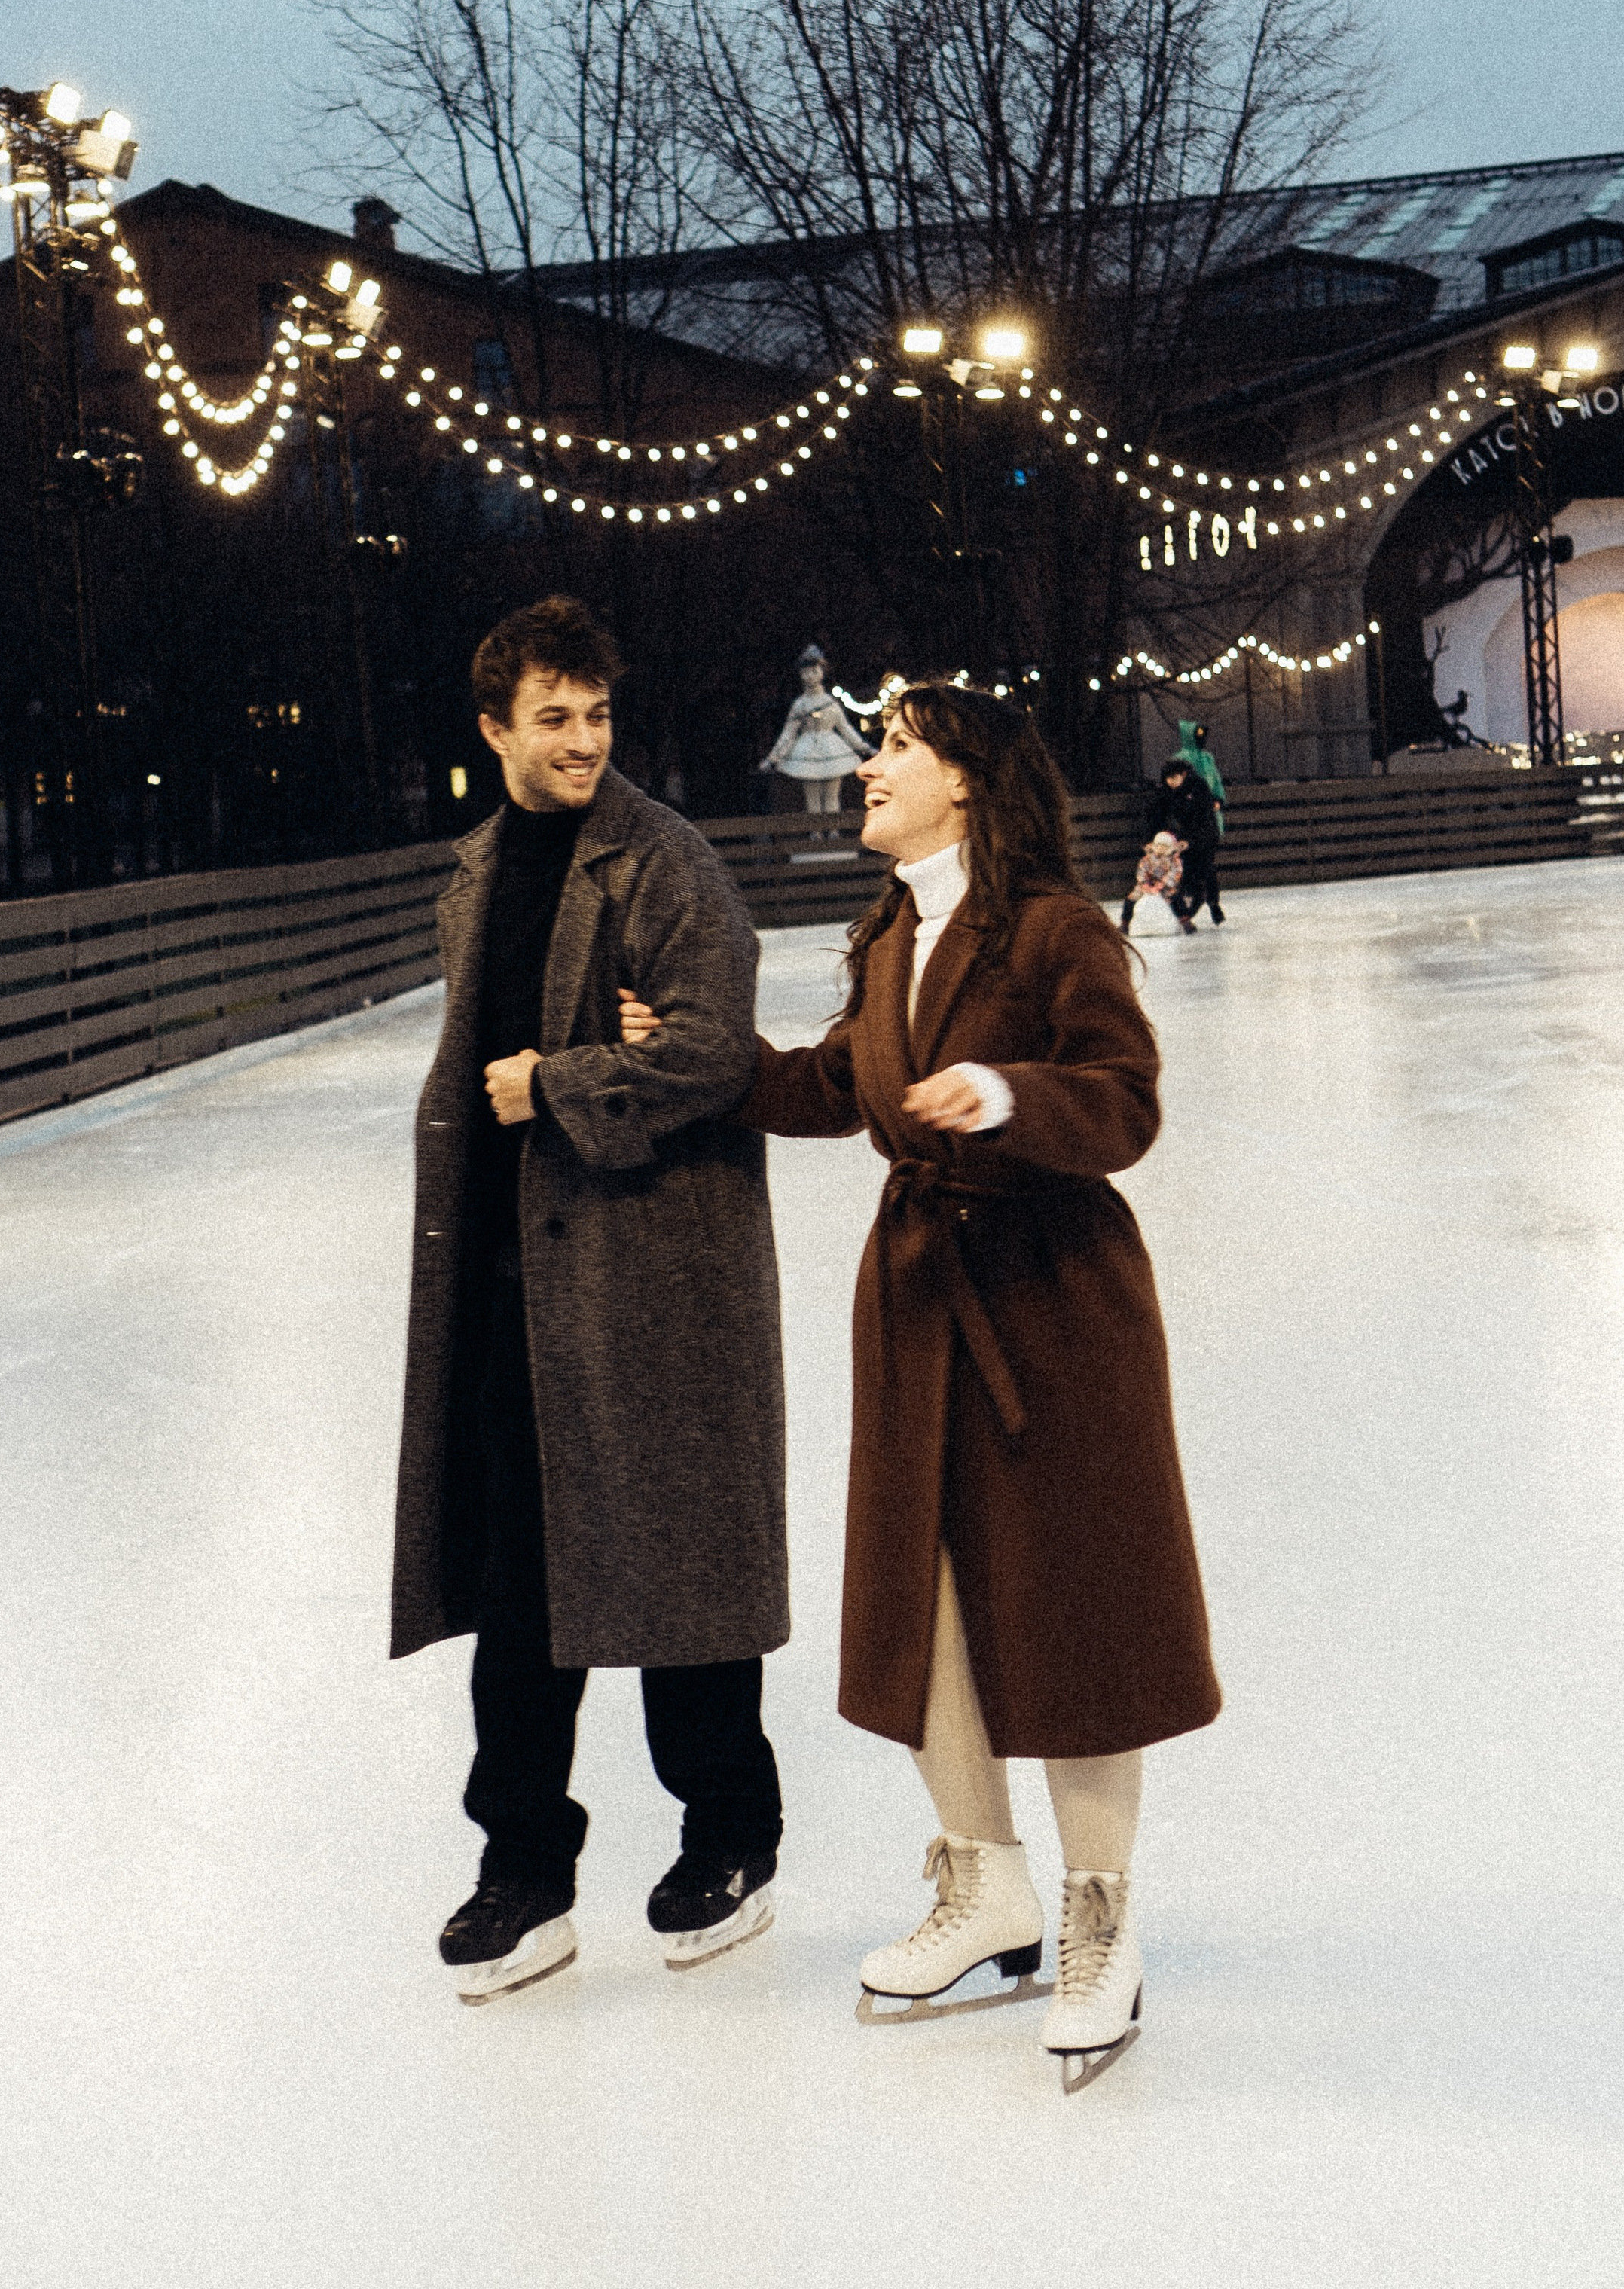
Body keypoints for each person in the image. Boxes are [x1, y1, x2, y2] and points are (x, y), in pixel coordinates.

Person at [621, 684, 1219, 2084]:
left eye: (897, 748)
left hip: (1052, 1300)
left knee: (1072, 1604)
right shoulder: (892, 936)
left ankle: (1098, 1915)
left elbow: (1126, 1095)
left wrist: (1007, 1096)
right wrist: (700, 1062)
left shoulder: (1055, 929)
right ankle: (985, 1881)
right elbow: (835, 1087)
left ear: (967, 782)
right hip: (917, 1301)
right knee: (928, 1593)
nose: (870, 769)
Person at [390, 595, 789, 2004]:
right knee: (520, 1587)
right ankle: (523, 1867)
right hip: (511, 1278)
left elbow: (717, 1048)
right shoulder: (477, 871)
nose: (582, 741)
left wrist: (556, 1085)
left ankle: (729, 1836)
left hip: (653, 1271)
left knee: (682, 1567)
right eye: (552, 718)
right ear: (492, 730)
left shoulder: (664, 860)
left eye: (597, 714)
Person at [759, 647, 873, 814]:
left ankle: (833, 828)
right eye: (805, 672)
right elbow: (788, 735)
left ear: (822, 672)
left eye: (814, 671)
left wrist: (865, 748)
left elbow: (845, 729)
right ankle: (815, 829)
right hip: (806, 751)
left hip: (831, 749)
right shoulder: (800, 705)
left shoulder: (830, 703)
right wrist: (773, 759)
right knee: (812, 800)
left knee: (832, 797)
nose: (810, 676)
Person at [1155, 757, 1219, 931]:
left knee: (1206, 871)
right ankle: (1186, 915)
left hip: (1204, 837)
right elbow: (1157, 815)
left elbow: (1204, 820)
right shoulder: (1165, 790)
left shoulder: (1198, 787)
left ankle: (1213, 904)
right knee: (1184, 877)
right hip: (1180, 839)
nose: (1171, 782)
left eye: (1174, 778)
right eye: (1168, 779)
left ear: (1183, 774)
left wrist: (1191, 841)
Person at [1176, 722, 1226, 923]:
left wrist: (1218, 799)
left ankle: (1212, 902)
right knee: (1192, 866)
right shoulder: (1180, 760)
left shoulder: (1207, 758)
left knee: (1208, 864)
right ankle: (1194, 903)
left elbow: (1216, 781)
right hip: (1190, 823)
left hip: (1209, 821)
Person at [1117, 824, 1186, 938]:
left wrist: (1162, 884)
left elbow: (1175, 874)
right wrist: (1145, 884)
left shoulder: (1174, 861)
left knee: (1176, 898)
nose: (1161, 849)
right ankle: (1125, 923)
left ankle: (1185, 921)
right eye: (1159, 846)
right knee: (1131, 899)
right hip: (1146, 886)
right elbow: (1141, 872)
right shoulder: (1147, 859)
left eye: (1164, 846)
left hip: (1165, 887)